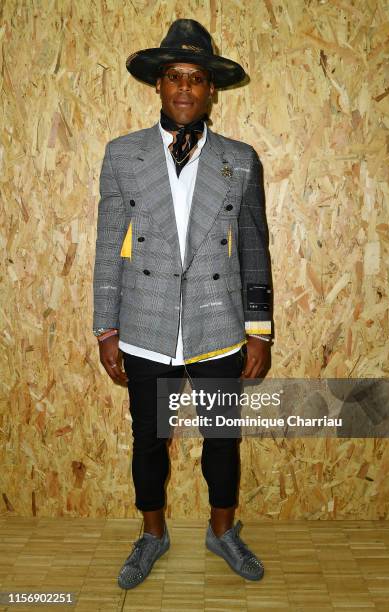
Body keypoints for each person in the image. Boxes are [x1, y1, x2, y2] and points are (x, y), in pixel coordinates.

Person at [92, 19, 274, 590]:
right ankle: (152, 534)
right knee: (148, 440)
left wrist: (260, 329)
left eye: (197, 78)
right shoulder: (122, 155)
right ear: (159, 85)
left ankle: (222, 531)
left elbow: (253, 245)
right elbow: (107, 244)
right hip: (145, 325)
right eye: (175, 76)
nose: (186, 88)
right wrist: (106, 328)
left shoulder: (239, 160)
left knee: (222, 437)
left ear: (211, 88)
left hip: (216, 322)